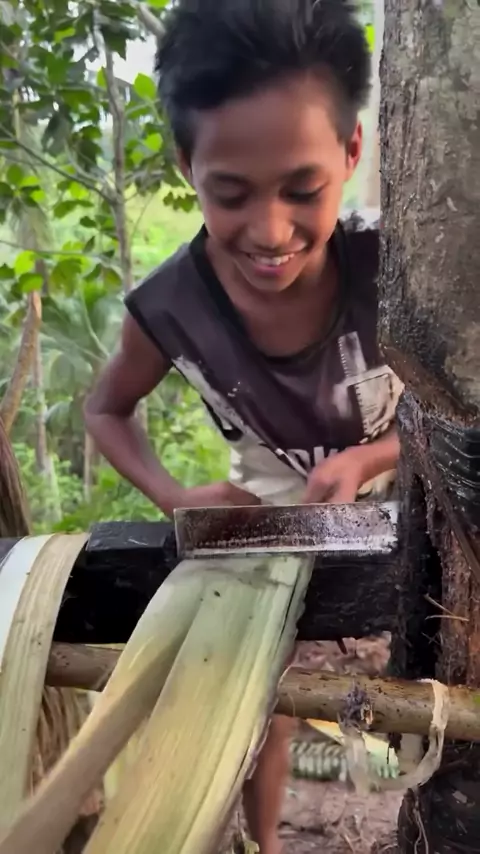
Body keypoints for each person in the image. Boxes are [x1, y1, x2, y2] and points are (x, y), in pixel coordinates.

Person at [84, 1, 402, 851]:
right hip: (270, 498)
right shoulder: (170, 309)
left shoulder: (395, 268)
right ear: (186, 164)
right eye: (230, 194)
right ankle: (265, 843)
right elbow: (105, 409)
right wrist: (174, 493)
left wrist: (375, 455)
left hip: (409, 471)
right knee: (258, 689)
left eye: (304, 190)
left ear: (352, 151)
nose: (269, 233)